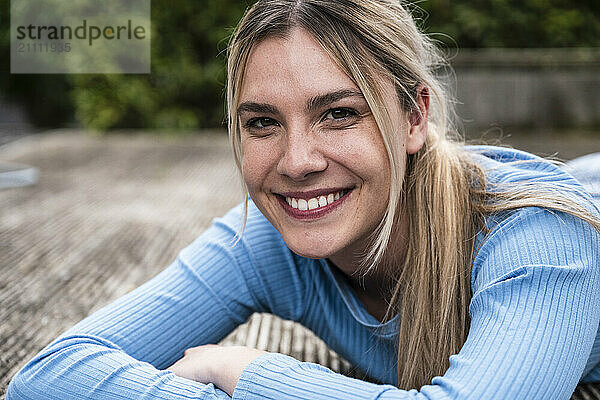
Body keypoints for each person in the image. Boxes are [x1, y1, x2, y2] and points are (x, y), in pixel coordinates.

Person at [7, 0, 600, 399]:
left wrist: (239, 371)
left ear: (415, 116)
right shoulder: (268, 240)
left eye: (339, 114)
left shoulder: (541, 233)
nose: (296, 163)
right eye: (263, 123)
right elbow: (48, 375)